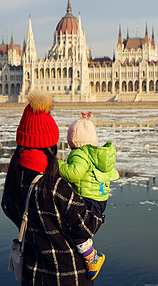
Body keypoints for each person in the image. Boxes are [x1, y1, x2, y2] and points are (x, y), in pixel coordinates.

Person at [2, 91, 104, 285]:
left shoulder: (15, 179)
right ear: (50, 144)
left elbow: (8, 209)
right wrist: (99, 200)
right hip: (68, 277)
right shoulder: (56, 186)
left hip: (32, 275)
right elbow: (85, 227)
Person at [58, 111, 119, 280]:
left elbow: (73, 174)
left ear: (73, 141)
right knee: (80, 227)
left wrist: (57, 165)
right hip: (99, 197)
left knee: (78, 230)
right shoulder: (94, 155)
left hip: (89, 198)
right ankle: (88, 249)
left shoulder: (80, 154)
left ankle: (93, 258)